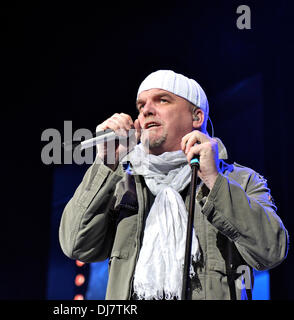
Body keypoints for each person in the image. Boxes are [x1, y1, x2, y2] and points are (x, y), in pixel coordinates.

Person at [58, 70, 289, 300]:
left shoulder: (241, 181)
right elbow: (75, 245)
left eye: (162, 100)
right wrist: (106, 164)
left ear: (196, 117)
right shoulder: (121, 183)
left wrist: (214, 181)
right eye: (141, 106)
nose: (146, 110)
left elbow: (271, 250)